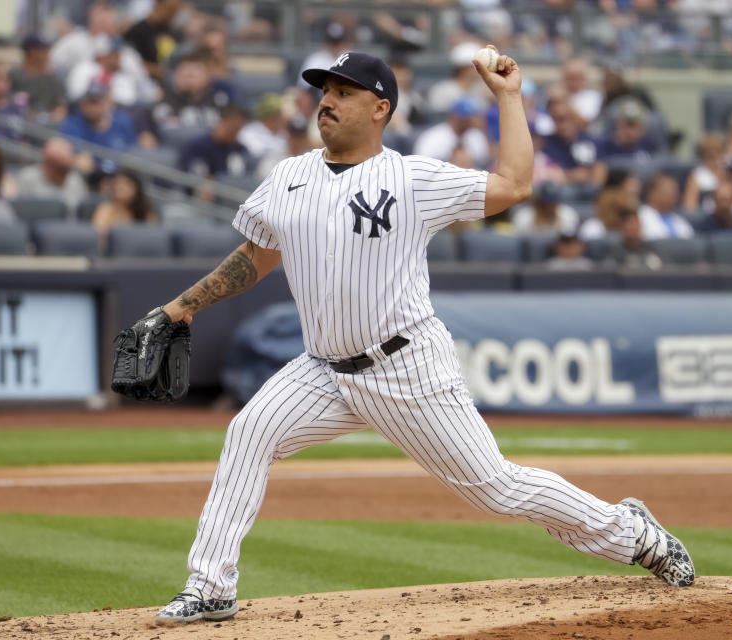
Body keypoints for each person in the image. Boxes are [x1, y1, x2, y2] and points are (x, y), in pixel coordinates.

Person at [149, 47, 694, 626]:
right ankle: (210, 586)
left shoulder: (411, 179)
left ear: (380, 108)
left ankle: (633, 533)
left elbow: (514, 184)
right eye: (324, 89)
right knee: (248, 433)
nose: (326, 100)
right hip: (322, 370)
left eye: (344, 91)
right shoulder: (290, 175)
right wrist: (182, 308)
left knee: (497, 489)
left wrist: (507, 97)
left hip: (405, 368)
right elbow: (257, 255)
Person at [67, 34, 156, 108]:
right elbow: (76, 98)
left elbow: (148, 93)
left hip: (128, 112)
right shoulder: (85, 69)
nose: (118, 57)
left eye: (118, 53)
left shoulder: (123, 72)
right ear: (101, 55)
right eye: (113, 53)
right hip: (96, 112)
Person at [152, 51, 233, 132]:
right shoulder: (163, 100)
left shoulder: (220, 100)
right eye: (183, 74)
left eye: (192, 75)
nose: (187, 80)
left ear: (207, 76)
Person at [60, 80, 140, 156]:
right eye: (87, 101)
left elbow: (133, 153)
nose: (90, 107)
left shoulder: (122, 122)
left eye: (95, 102)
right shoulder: (73, 124)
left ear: (107, 103)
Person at [177, 105, 252, 185]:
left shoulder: (239, 149)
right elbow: (191, 177)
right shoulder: (199, 145)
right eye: (234, 128)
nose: (235, 134)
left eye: (239, 130)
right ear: (223, 121)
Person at [16, 138, 88, 215]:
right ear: (47, 163)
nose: (63, 171)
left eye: (66, 167)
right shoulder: (27, 178)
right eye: (58, 166)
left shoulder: (75, 180)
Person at [412, 96, 489, 167]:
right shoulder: (433, 138)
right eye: (468, 116)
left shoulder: (477, 137)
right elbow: (421, 166)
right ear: (455, 116)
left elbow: (482, 165)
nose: (473, 119)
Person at [541, 97, 600, 184]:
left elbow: (599, 173)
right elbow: (553, 175)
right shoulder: (546, 143)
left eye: (568, 117)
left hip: (589, 191)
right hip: (560, 192)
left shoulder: (589, 140)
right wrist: (570, 175)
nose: (565, 124)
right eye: (559, 119)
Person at [10, 35, 67, 124]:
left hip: (48, 125)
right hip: (20, 123)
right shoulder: (14, 75)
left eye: (46, 50)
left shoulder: (53, 79)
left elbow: (61, 108)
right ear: (30, 52)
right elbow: (7, 103)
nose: (46, 53)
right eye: (42, 50)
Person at [123, 0, 185, 81]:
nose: (172, 14)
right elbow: (128, 60)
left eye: (176, 11)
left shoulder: (172, 31)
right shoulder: (138, 31)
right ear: (158, 6)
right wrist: (160, 71)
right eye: (170, 9)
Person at [90, 168, 157, 242]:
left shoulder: (146, 213)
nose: (120, 187)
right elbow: (97, 238)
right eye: (117, 184)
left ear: (136, 188)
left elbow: (152, 240)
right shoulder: (105, 210)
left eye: (126, 184)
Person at [638, 173, 694, 240]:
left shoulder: (679, 220)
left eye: (675, 190)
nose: (674, 194)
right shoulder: (639, 216)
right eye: (669, 189)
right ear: (652, 193)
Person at [510, 181, 579, 235]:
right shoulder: (523, 217)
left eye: (552, 203)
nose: (549, 207)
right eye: (545, 204)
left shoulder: (568, 215)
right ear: (538, 202)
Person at [682, 133, 726, 213]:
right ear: (702, 157)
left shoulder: (730, 171)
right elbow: (689, 206)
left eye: (719, 154)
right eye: (710, 156)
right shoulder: (697, 176)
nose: (715, 160)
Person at [562, 58, 601, 123]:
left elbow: (586, 122)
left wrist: (562, 102)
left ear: (584, 78)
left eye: (576, 78)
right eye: (569, 77)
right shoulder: (555, 94)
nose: (572, 82)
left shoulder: (593, 96)